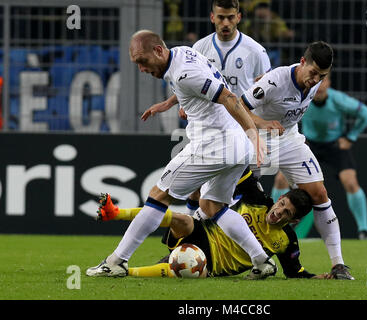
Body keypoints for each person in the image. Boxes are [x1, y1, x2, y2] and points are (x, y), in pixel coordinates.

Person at [86, 30, 276, 280]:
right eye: (136, 64)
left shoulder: (185, 73)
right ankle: (262, 261)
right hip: (236, 147)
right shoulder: (184, 53)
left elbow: (228, 96)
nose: (141, 68)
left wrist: (253, 131)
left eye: (142, 61)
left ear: (158, 51)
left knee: (158, 195)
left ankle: (116, 262)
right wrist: (170, 103)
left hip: (213, 144)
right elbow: (196, 84)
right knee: (213, 206)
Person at [142, 0, 272, 216]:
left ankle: (243, 239)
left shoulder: (255, 51)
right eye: (221, 17)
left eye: (231, 17)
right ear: (212, 18)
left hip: (242, 127)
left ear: (238, 18)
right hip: (209, 129)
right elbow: (192, 83)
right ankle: (195, 237)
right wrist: (172, 103)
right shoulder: (200, 47)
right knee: (198, 191)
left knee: (244, 191)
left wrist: (259, 126)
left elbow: (266, 90)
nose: (226, 23)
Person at [239, 41, 355, 280]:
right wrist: (262, 124)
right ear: (302, 62)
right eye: (313, 73)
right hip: (257, 137)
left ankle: (338, 265)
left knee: (319, 193)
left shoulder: (316, 81)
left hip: (289, 138)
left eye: (321, 76)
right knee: (243, 199)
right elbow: (238, 106)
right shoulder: (275, 81)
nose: (315, 80)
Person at [96, 170, 336, 280]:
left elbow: (295, 273)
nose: (278, 212)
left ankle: (126, 271)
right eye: (281, 204)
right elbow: (239, 171)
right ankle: (115, 213)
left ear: (293, 220)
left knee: (186, 267)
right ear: (280, 197)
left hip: (215, 265)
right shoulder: (258, 199)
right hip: (205, 235)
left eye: (286, 213)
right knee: (181, 218)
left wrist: (321, 277)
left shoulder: (287, 240)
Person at [300, 75, 367, 240]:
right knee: (282, 181)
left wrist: (351, 137)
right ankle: (276, 225)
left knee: (350, 182)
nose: (319, 86)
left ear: (329, 83)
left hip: (334, 146)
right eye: (316, 82)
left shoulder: (338, 100)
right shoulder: (302, 97)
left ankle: (364, 230)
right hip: (309, 145)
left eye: (323, 81)